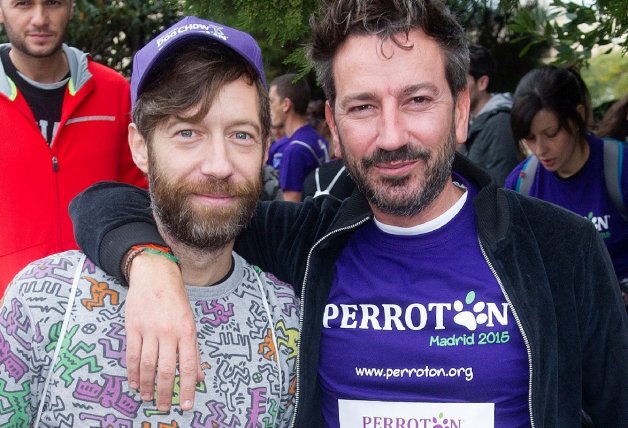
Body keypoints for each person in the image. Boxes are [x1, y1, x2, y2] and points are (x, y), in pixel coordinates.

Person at [69, 1, 627, 427]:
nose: (390, 137)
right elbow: (111, 201)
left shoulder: (560, 247)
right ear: (333, 126)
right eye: (363, 107)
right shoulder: (303, 239)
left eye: (416, 100)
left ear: (461, 112)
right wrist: (149, 263)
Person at [0, 16, 298, 426]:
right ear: (140, 147)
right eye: (187, 132)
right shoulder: (40, 303)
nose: (218, 165)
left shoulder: (286, 322)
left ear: (266, 147)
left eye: (241, 135)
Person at [0, 0, 146, 291]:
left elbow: (140, 196)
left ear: (71, 6)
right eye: (23, 4)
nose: (40, 19)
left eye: (52, 3)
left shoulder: (114, 92)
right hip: (9, 310)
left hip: (99, 303)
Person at [504, 66, 628, 305]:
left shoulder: (620, 167)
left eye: (551, 133)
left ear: (578, 116)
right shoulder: (522, 184)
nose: (540, 149)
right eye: (529, 138)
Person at [458, 44, 519, 185]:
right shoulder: (470, 120)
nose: (455, 88)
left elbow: (501, 186)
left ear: (482, 83)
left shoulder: (500, 123)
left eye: (461, 81)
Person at [269, 73, 330, 201]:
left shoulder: (295, 150)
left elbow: (291, 208)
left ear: (286, 104)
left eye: (271, 101)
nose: (269, 109)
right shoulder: (316, 138)